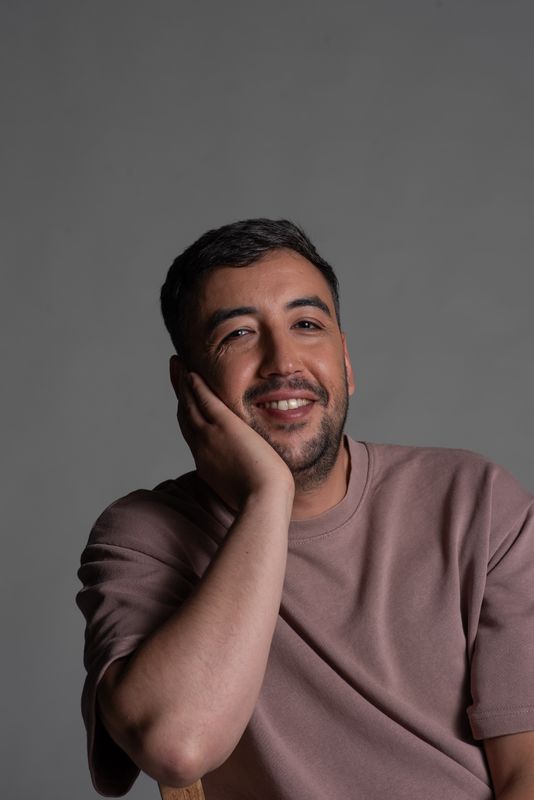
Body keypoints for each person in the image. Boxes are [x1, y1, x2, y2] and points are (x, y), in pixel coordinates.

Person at [76, 218, 534, 800]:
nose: (283, 361)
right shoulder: (142, 537)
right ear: (186, 385)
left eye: (307, 325)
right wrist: (267, 497)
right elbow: (177, 746)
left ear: (345, 360)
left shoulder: (475, 501)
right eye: (239, 334)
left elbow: (527, 769)